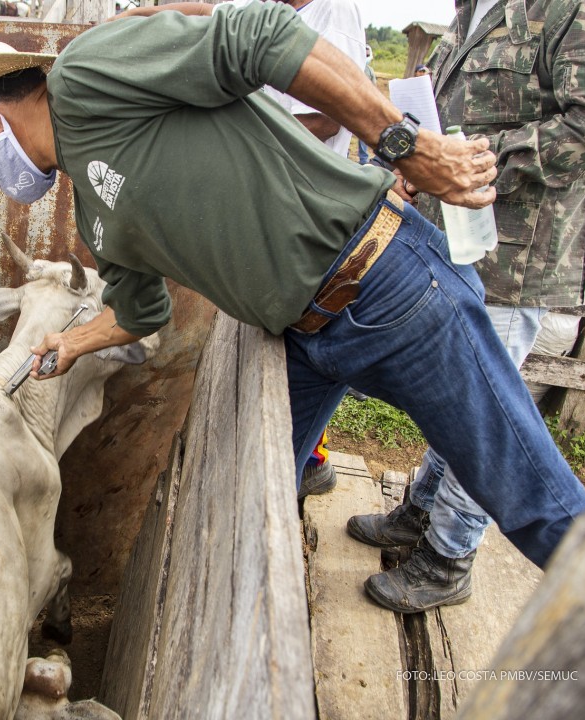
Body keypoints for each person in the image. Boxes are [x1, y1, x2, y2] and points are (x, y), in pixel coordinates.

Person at [0, 2, 585, 568]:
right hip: (303, 336)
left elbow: (261, 34)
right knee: (241, 514)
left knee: (534, 503)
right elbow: (140, 310)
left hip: (388, 286)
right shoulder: (96, 215)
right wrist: (71, 343)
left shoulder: (87, 75)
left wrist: (403, 143)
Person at [347, 0, 585, 613]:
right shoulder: (475, 10)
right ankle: (421, 514)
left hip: (517, 256)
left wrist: (467, 161)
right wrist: (419, 158)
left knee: (484, 415)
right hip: (455, 238)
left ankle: (448, 558)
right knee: (453, 396)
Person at [115, 0, 368, 499]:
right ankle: (303, 457)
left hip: (302, 201)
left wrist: (240, 127)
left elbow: (326, 117)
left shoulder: (334, 11)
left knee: (309, 338)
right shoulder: (268, 7)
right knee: (288, 346)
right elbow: (212, 11)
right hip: (267, 207)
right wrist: (145, 13)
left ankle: (305, 460)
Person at [357, 44, 376, 164]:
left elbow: (373, 88)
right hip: (352, 102)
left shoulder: (370, 71)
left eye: (368, 55)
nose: (366, 56)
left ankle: (363, 159)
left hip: (364, 105)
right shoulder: (355, 66)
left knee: (362, 133)